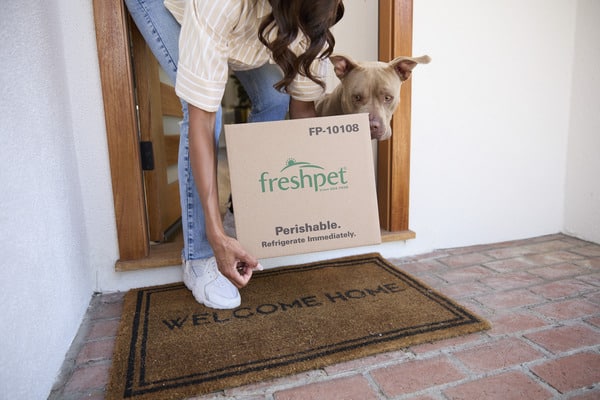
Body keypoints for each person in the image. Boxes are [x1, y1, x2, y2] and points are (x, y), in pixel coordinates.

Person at [125, 0, 344, 310]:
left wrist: (309, 198)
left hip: (254, 18)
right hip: (168, 4)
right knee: (204, 115)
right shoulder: (221, 4)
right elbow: (202, 122)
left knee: (275, 99)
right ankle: (198, 255)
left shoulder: (315, 17)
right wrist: (216, 236)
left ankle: (244, 216)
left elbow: (302, 110)